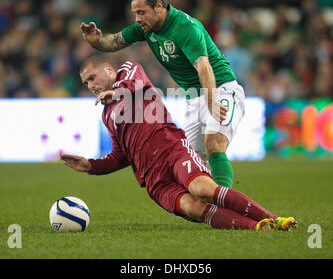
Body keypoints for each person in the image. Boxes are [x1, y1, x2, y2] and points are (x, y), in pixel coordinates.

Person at [60, 55, 297, 231]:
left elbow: (135, 84)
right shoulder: (106, 114)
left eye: (92, 78)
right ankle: (259, 227)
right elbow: (121, 154)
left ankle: (275, 219)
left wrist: (116, 93)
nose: (90, 86)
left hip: (172, 150)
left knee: (203, 190)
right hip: (153, 179)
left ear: (108, 69)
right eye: (86, 83)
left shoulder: (128, 71)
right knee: (194, 208)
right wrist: (91, 166)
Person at [80, 0, 244, 189]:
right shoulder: (146, 28)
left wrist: (211, 101)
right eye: (135, 13)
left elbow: (203, 66)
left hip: (220, 88)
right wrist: (95, 41)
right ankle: (211, 204)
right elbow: (114, 41)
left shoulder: (185, 27)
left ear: (159, 6)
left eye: (141, 12)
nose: (137, 18)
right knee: (190, 163)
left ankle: (224, 201)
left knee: (214, 145)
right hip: (194, 98)